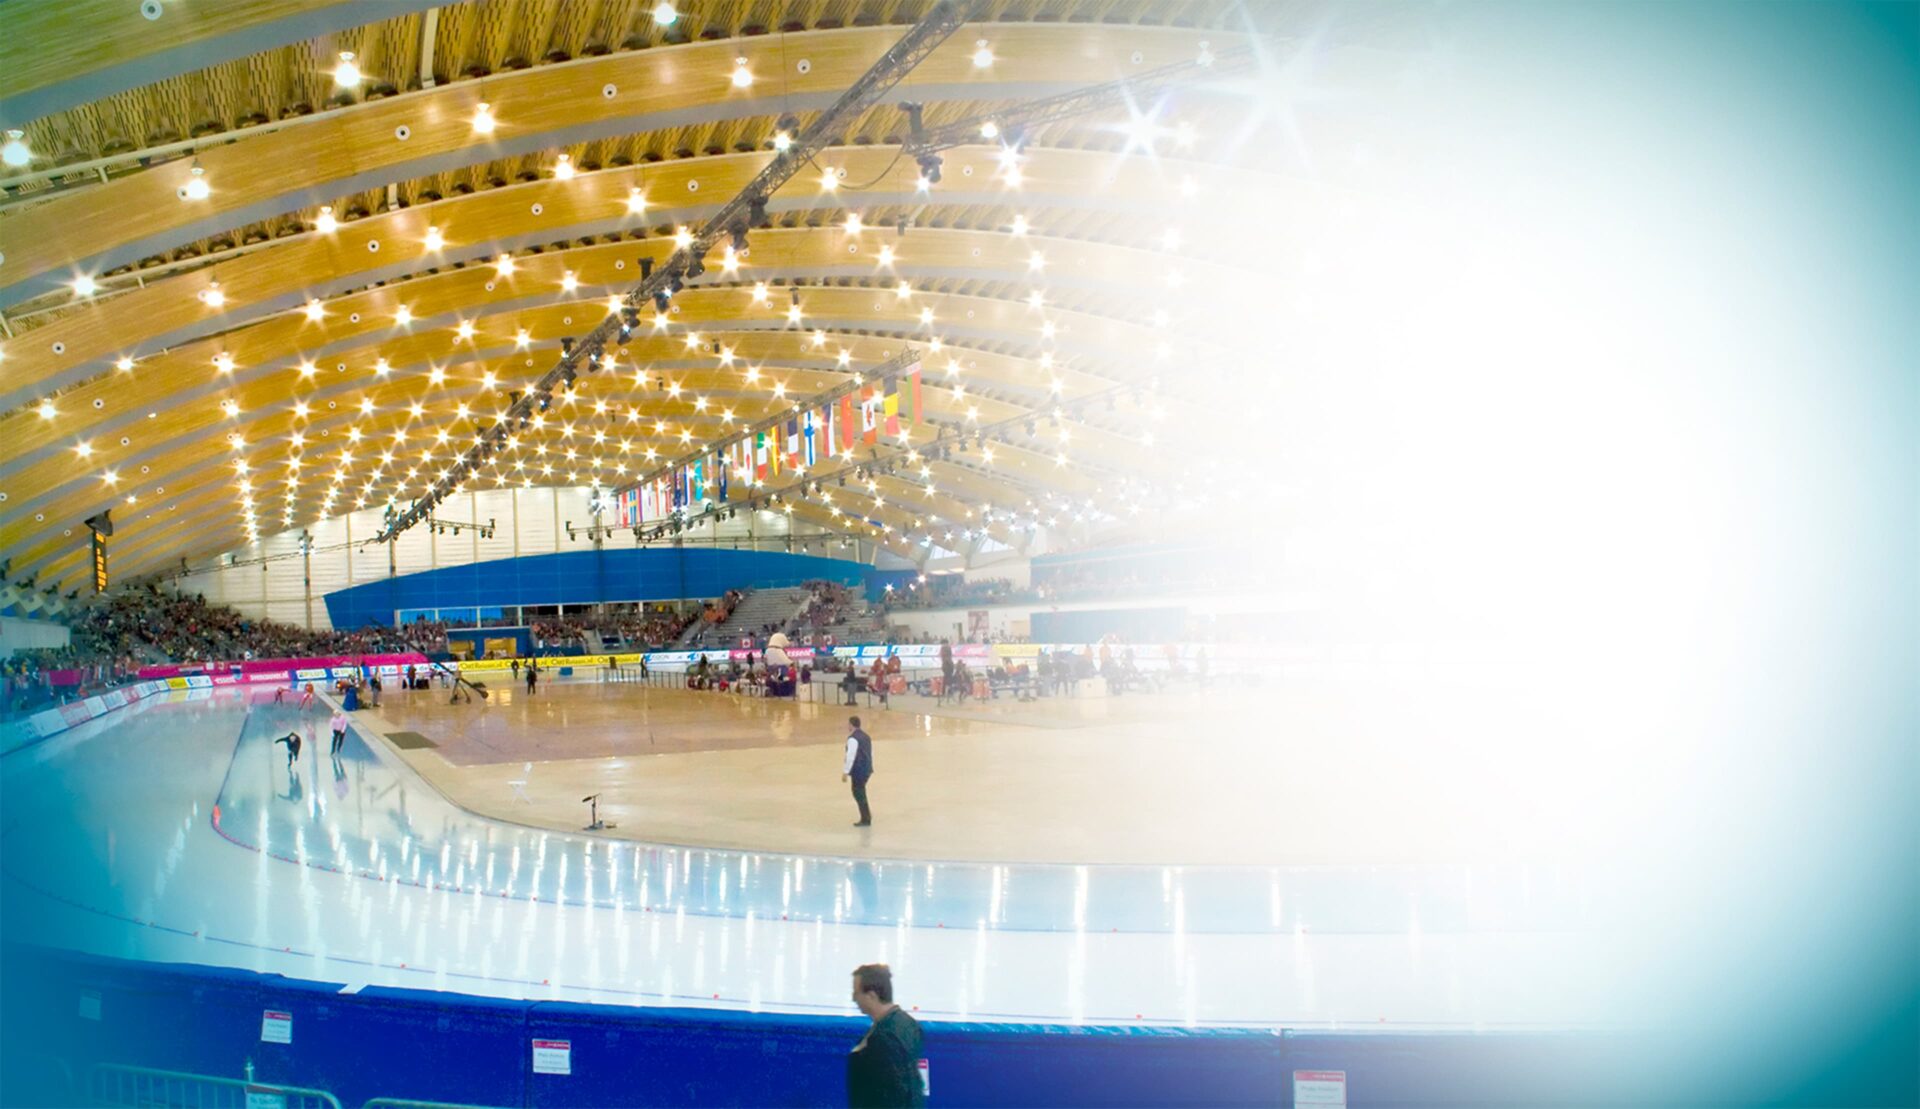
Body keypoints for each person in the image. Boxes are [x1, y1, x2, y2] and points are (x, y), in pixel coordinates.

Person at [846, 964, 925, 1108]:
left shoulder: (884, 1040)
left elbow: (891, 1097)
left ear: (872, 996)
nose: (853, 998)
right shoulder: (909, 1024)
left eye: (856, 993)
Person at [841, 715, 874, 827]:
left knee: (858, 792)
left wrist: (845, 771)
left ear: (851, 725)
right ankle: (866, 815)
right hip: (866, 768)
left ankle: (866, 817)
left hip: (858, 769)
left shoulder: (853, 739)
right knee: (860, 791)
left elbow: (851, 755)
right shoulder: (866, 736)